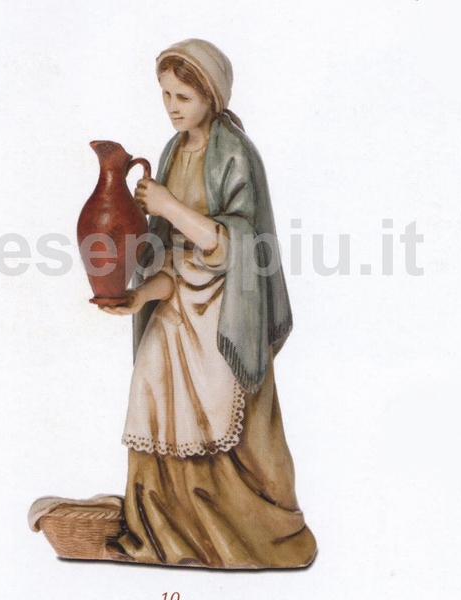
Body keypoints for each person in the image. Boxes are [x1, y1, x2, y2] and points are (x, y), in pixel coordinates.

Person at [100, 39, 316, 569]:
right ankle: (162, 530)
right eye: (165, 95)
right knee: (149, 390)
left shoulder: (236, 153)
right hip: (179, 308)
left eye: (184, 97)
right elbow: (172, 261)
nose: (172, 107)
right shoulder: (173, 151)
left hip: (227, 313)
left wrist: (169, 205)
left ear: (211, 97)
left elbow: (236, 246)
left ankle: (234, 535)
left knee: (223, 416)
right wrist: (140, 296)